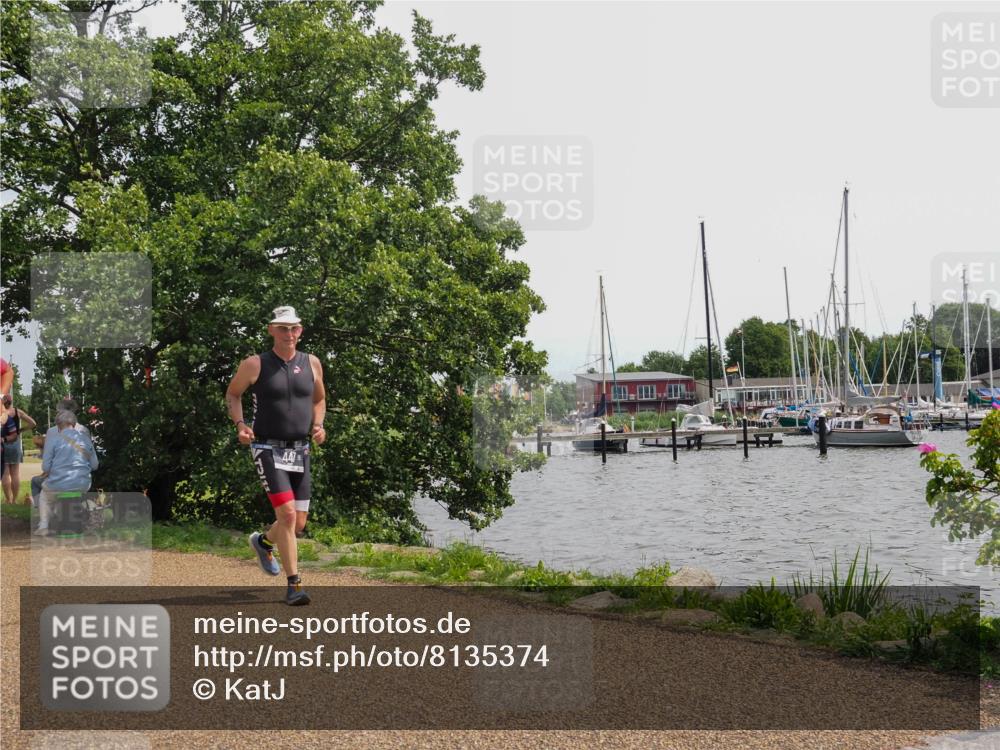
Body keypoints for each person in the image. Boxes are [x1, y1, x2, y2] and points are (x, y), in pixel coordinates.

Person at [226, 306, 326, 606]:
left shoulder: (312, 363)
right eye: (282, 328)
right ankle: (294, 586)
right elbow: (233, 394)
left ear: (301, 330)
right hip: (268, 448)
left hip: (300, 449)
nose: (289, 334)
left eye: (293, 328)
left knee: (297, 525)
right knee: (286, 515)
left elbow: (319, 399)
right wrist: (241, 425)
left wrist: (319, 425)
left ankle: (263, 542)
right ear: (271, 330)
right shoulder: (255, 364)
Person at [36, 409, 98, 536]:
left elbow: (45, 468)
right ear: (74, 424)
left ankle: (43, 526)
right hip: (83, 483)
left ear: (58, 426)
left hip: (58, 484)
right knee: (68, 492)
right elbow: (95, 465)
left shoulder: (53, 440)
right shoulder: (86, 439)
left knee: (44, 495)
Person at [2, 395, 37, 504]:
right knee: (15, 474)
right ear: (11, 402)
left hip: (3, 444)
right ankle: (15, 500)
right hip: (15, 444)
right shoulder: (17, 412)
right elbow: (33, 423)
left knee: (5, 474)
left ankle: (8, 499)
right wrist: (21, 430)